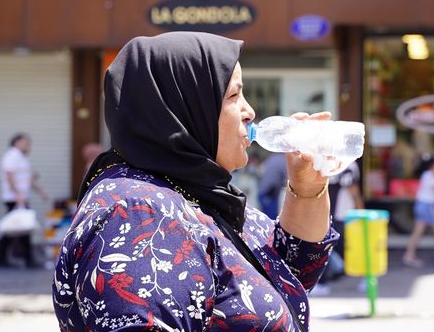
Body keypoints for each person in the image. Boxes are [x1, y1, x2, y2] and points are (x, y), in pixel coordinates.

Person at [52, 32, 339, 331]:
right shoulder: (141, 213)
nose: (249, 111)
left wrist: (308, 188)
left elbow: (293, 271)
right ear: (184, 109)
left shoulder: (198, 193)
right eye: (233, 96)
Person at [311, 161, 363, 296]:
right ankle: (329, 278)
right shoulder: (331, 163)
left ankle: (323, 283)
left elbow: (353, 189)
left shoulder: (347, 164)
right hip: (332, 213)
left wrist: (360, 210)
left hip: (342, 214)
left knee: (337, 247)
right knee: (337, 248)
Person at [0, 133, 48, 268]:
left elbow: (28, 179)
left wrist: (41, 192)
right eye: (25, 142)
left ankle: (3, 256)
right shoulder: (12, 155)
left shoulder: (21, 157)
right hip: (14, 198)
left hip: (20, 197)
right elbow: (9, 175)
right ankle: (27, 260)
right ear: (17, 142)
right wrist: (18, 194)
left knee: (16, 229)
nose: (28, 145)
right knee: (22, 229)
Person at [257, 153, 287, 219]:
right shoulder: (283, 160)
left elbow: (261, 170)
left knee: (264, 218)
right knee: (271, 220)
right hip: (270, 193)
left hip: (262, 192)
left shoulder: (272, 157)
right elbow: (288, 178)